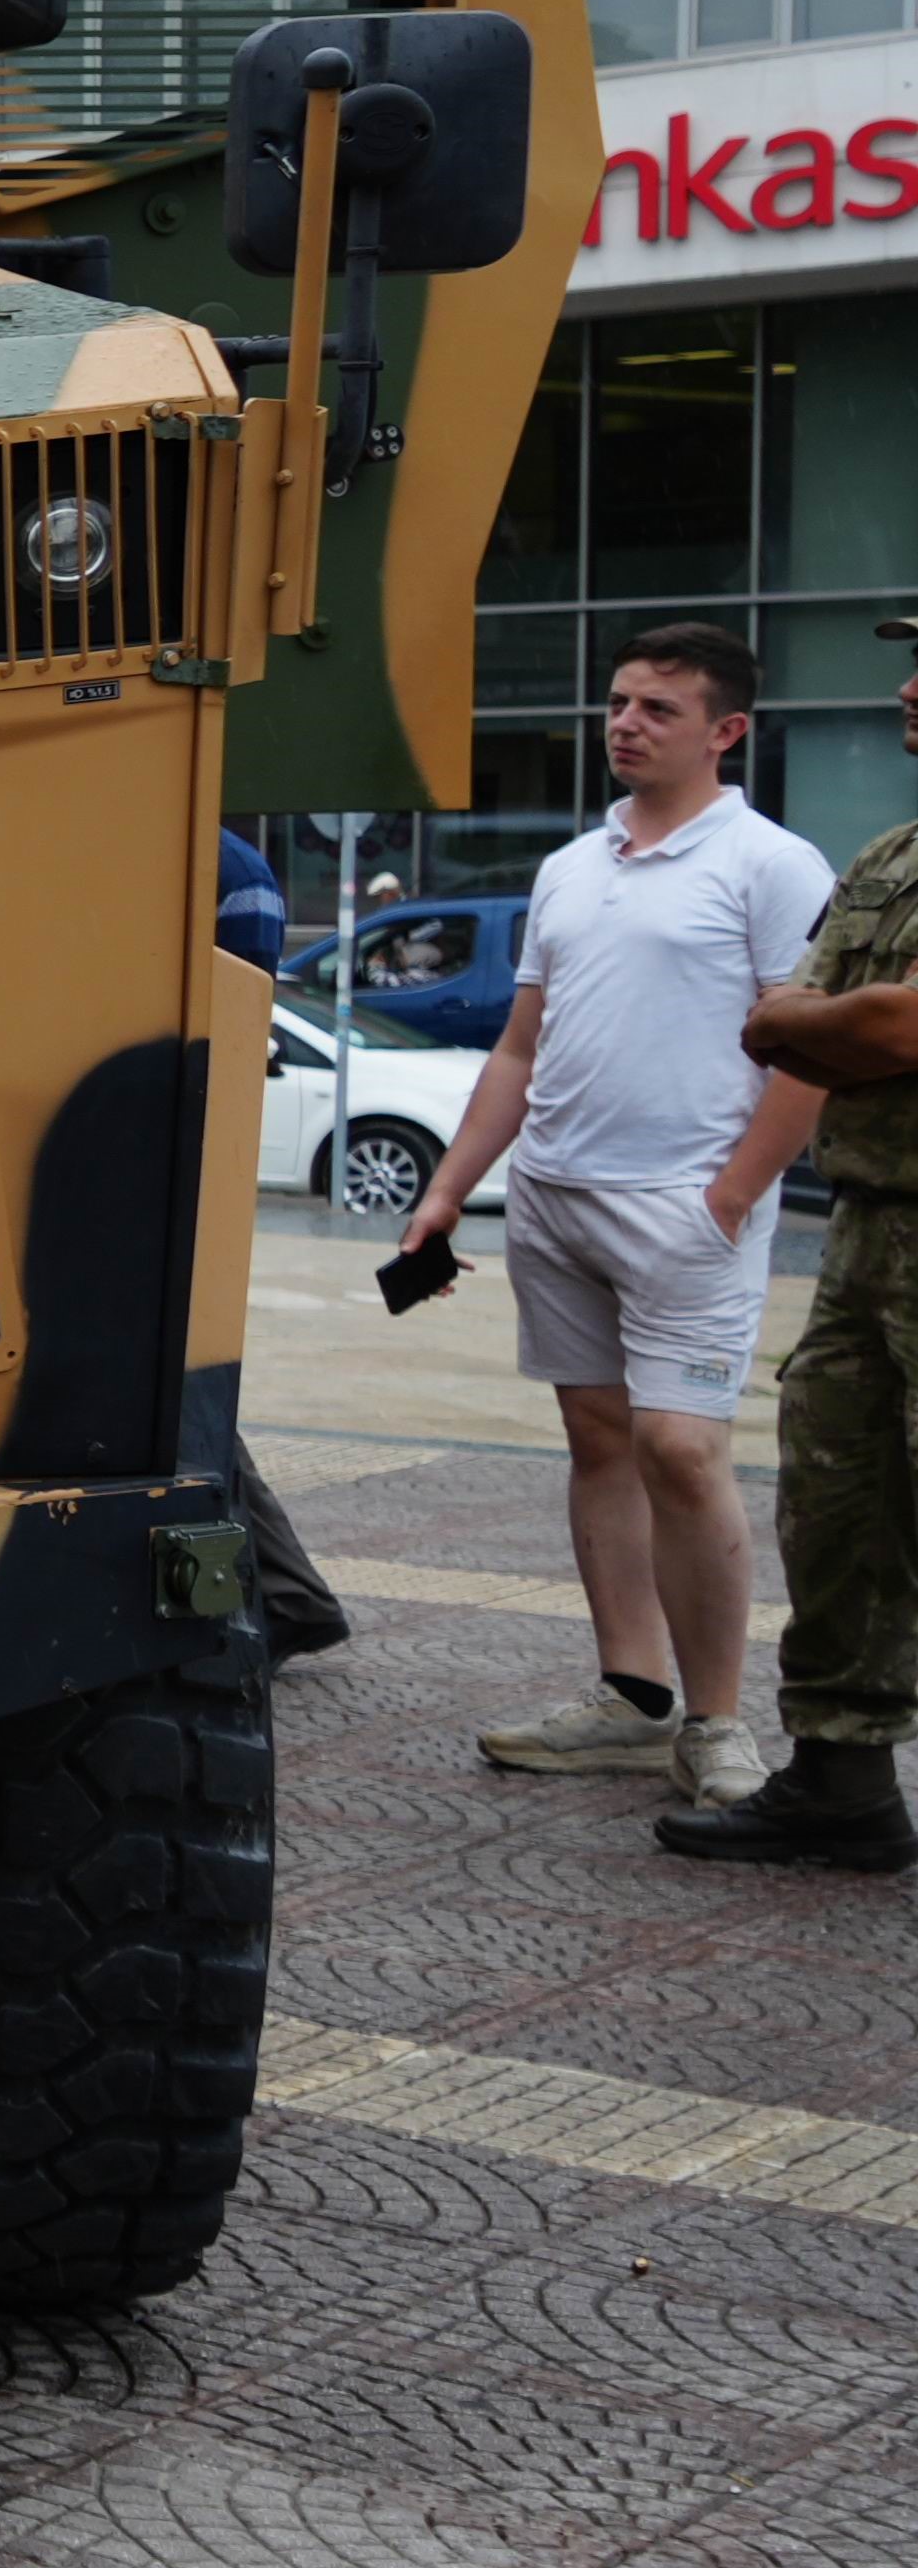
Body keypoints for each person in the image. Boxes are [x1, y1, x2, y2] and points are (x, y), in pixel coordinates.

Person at [401, 625, 836, 1800]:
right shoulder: (569, 867)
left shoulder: (772, 864)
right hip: (555, 1200)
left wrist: (734, 1197)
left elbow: (809, 1052)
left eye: (657, 708)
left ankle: (718, 1723)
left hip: (687, 1208)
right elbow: (520, 1048)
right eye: (620, 702)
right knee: (599, 1439)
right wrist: (449, 1189)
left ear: (725, 730)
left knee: (683, 1450)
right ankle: (633, 1695)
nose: (626, 722)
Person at [709, 619, 918, 1875]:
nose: (905, 687)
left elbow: (888, 1027)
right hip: (868, 1235)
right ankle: (842, 1779)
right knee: (841, 1509)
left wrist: (844, 1023)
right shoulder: (895, 856)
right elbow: (770, 1025)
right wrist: (853, 1023)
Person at [208, 829, 350, 1661]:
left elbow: (240, 1020)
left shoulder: (231, 869)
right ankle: (291, 1594)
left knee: (172, 1391)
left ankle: (290, 1596)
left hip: (164, 1148)